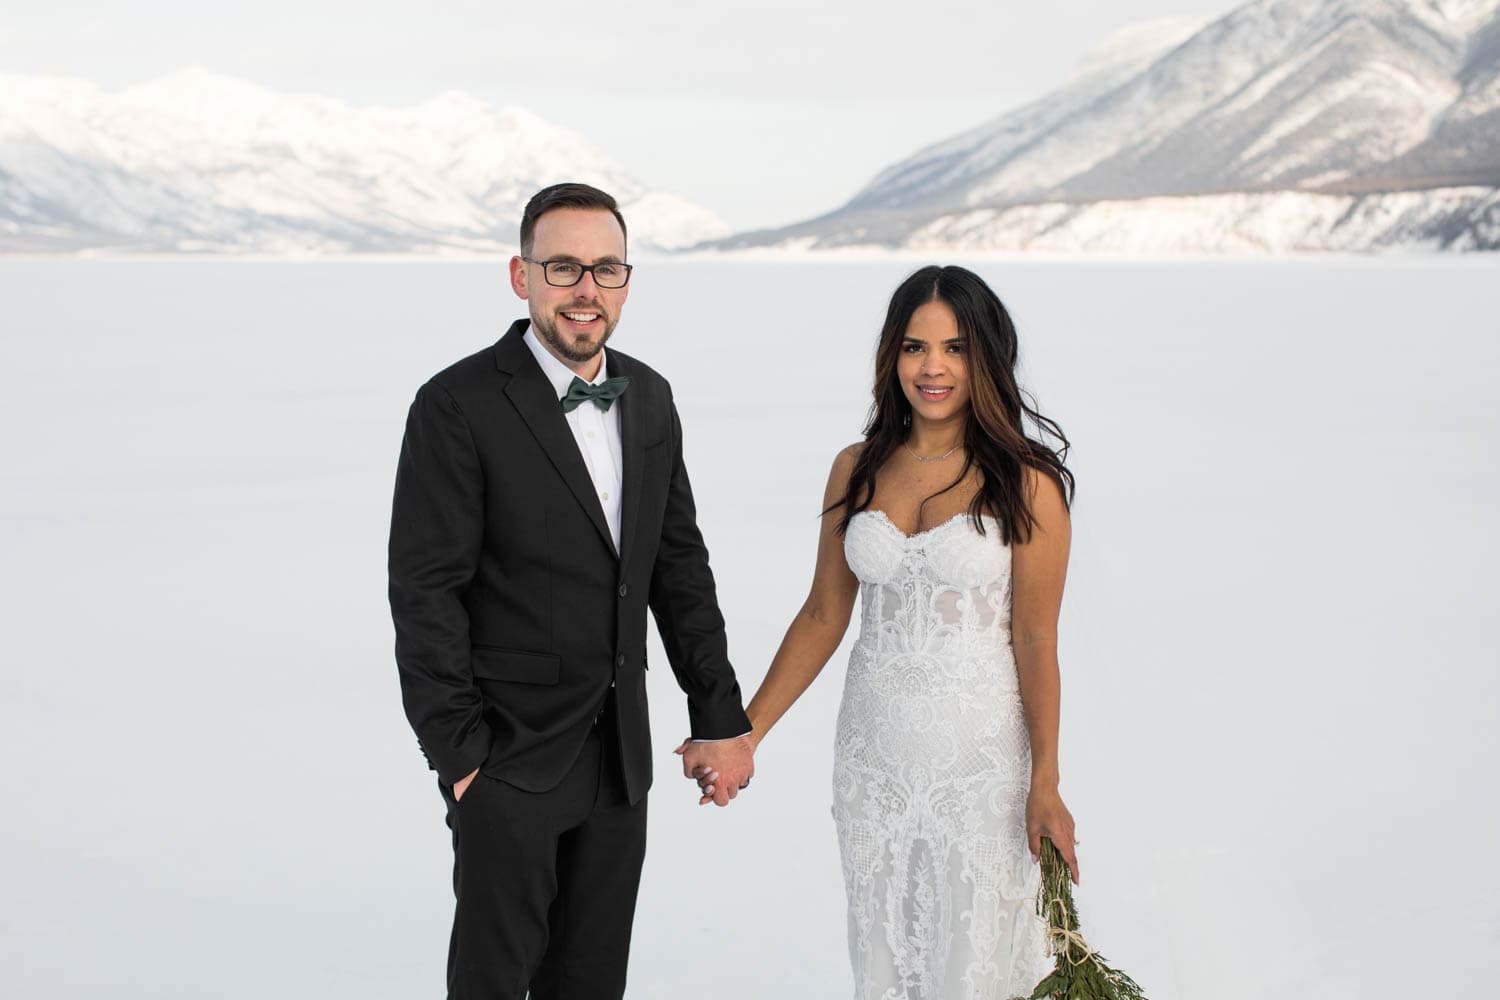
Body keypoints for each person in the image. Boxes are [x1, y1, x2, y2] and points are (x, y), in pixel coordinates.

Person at [388, 182, 756, 1000]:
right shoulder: (456, 405)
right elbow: (425, 594)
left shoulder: (651, 397)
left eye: (605, 268)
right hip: (507, 763)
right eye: (563, 267)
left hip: (620, 761)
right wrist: (461, 762)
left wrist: (720, 717)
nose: (585, 288)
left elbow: (679, 569)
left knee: (591, 985)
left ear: (626, 282)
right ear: (521, 277)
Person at [700, 265, 1079, 997]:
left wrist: (1047, 780)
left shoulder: (1027, 482)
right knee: (884, 958)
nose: (932, 367)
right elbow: (822, 614)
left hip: (981, 770)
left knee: (973, 966)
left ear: (987, 359)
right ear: (891, 357)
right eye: (913, 347)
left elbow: (1035, 641)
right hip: (873, 763)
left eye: (955, 348)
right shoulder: (857, 468)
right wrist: (743, 734)